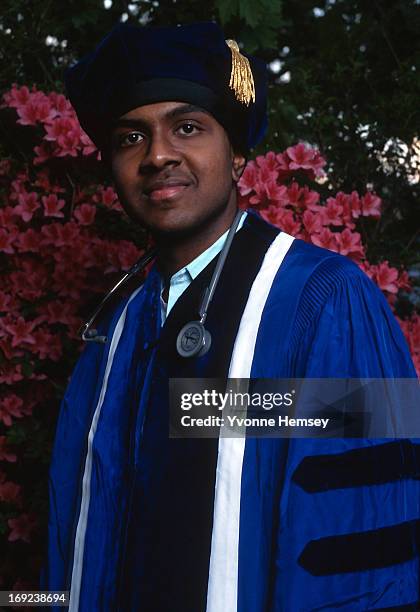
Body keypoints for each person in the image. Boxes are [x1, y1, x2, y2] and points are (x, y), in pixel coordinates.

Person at [43, 21, 419, 612]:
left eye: (187, 127)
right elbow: (73, 541)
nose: (158, 154)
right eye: (130, 137)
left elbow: (364, 533)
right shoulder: (113, 333)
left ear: (238, 153)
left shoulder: (323, 302)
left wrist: (204, 405)